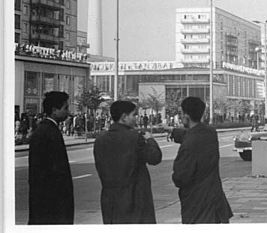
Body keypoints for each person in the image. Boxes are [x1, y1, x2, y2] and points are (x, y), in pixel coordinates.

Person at [93, 100, 162, 224]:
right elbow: (155, 158)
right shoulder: (135, 137)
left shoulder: (100, 140)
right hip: (135, 200)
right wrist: (150, 140)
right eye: (134, 115)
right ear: (124, 117)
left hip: (110, 201)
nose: (136, 118)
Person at [172, 96, 233, 224]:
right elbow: (194, 134)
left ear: (186, 116)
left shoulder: (189, 144)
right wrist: (175, 132)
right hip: (216, 200)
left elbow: (180, 177)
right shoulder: (211, 133)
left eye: (182, 113)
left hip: (197, 205)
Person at [28, 91, 74, 224]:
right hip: (51, 204)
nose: (68, 112)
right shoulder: (49, 132)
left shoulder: (46, 129)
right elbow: (54, 172)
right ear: (54, 110)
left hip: (46, 201)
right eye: (65, 108)